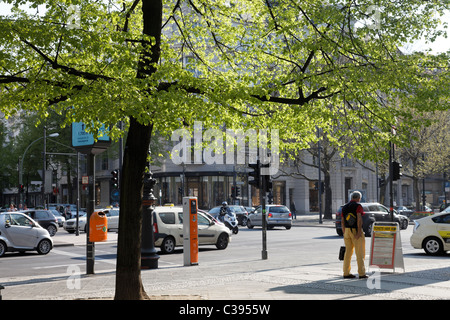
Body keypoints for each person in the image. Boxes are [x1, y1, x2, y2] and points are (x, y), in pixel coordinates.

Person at [341, 191, 367, 279]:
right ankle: (361, 273)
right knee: (360, 252)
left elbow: (342, 220)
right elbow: (359, 219)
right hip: (355, 230)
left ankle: (346, 272)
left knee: (348, 252)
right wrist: (359, 232)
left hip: (347, 231)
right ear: (358, 198)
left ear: (351, 197)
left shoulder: (344, 207)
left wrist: (344, 231)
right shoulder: (358, 206)